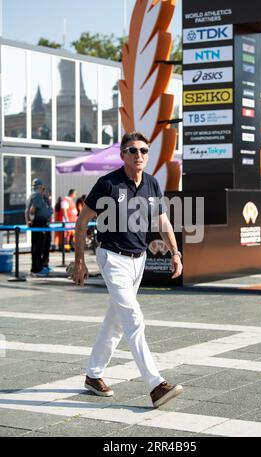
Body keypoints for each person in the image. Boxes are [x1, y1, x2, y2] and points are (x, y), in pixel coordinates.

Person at [72, 131, 183, 408]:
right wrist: (79, 261)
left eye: (144, 151)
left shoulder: (152, 184)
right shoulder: (107, 184)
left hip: (139, 260)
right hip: (112, 258)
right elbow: (82, 221)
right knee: (133, 319)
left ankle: (93, 375)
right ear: (122, 154)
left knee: (117, 321)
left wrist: (175, 252)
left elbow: (163, 222)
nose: (139, 155)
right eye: (133, 151)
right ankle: (156, 385)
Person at [25, 178, 51, 277]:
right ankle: (36, 269)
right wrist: (30, 221)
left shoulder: (37, 195)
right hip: (39, 223)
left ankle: (39, 266)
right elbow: (32, 210)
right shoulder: (36, 195)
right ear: (40, 187)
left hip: (40, 223)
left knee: (40, 246)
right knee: (38, 247)